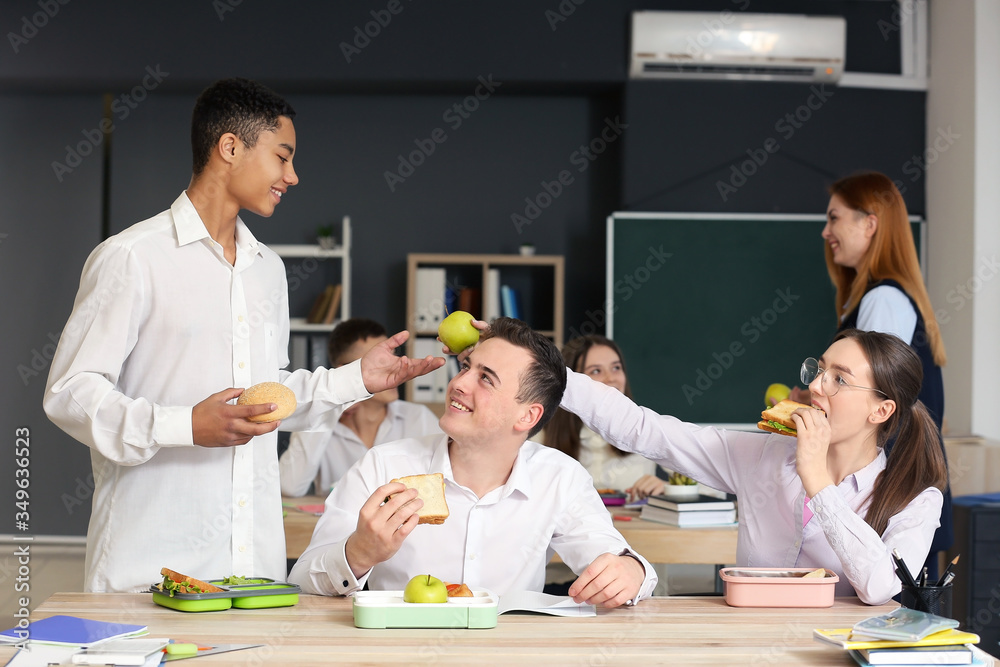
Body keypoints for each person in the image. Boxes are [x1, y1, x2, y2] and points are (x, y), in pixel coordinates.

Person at [43, 78, 442, 593]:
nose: (293, 176)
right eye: (283, 157)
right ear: (229, 147)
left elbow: (266, 398)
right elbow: (70, 393)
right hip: (146, 566)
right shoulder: (132, 257)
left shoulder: (266, 270)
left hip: (252, 570)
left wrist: (357, 379)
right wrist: (186, 424)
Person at [560, 328, 947, 605]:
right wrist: (544, 370)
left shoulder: (917, 499)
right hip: (748, 644)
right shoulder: (764, 455)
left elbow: (880, 587)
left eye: (839, 380)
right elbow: (647, 430)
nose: (815, 387)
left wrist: (816, 481)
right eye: (820, 370)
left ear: (881, 410)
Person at [288, 318, 656, 607]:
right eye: (465, 367)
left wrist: (631, 570)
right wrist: (357, 553)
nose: (459, 383)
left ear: (527, 416)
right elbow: (302, 580)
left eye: (486, 378)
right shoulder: (383, 467)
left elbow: (620, 561)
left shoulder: (559, 477)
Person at [791, 171, 951, 577]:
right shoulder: (881, 296)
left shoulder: (882, 299)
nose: (826, 232)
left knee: (886, 607)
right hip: (895, 486)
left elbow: (874, 386)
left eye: (834, 219)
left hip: (890, 495)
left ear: (869, 223)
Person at [279, 318, 441, 496]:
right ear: (347, 370)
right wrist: (331, 410)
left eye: (393, 356)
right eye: (380, 362)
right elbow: (289, 487)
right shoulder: (318, 419)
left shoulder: (419, 418)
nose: (395, 367)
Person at [540, 335, 666, 499]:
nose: (611, 378)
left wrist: (667, 489)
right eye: (596, 371)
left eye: (616, 368)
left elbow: (707, 484)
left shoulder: (647, 429)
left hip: (631, 525)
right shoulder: (538, 439)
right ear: (572, 382)